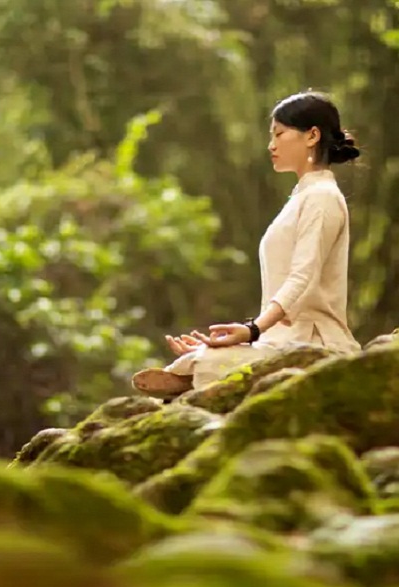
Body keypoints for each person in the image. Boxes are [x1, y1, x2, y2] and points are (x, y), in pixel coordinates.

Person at [132, 91, 362, 398]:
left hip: (314, 343)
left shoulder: (321, 198)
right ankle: (199, 372)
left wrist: (253, 330)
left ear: (312, 136)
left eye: (279, 134)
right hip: (281, 339)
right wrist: (249, 338)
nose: (271, 145)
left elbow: (301, 278)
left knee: (205, 364)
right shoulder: (302, 197)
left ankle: (194, 380)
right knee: (200, 357)